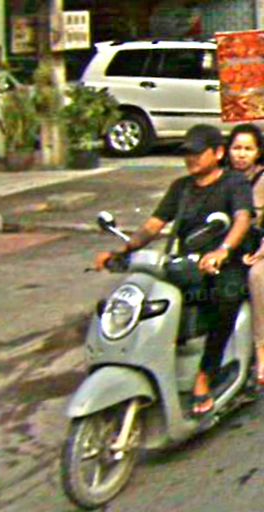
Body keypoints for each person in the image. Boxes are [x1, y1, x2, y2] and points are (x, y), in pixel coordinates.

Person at [95, 124, 253, 416]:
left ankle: (205, 374)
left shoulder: (234, 183)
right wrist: (123, 251)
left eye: (198, 153)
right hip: (187, 262)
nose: (191, 159)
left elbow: (242, 218)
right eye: (187, 153)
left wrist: (223, 250)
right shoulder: (181, 187)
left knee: (225, 298)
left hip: (225, 263)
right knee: (147, 298)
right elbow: (153, 225)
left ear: (218, 153)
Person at [225, 123, 264, 384]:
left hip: (258, 248)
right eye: (236, 148)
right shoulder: (221, 178)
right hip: (228, 247)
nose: (241, 154)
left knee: (257, 277)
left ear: (258, 152)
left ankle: (261, 350)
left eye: (248, 149)